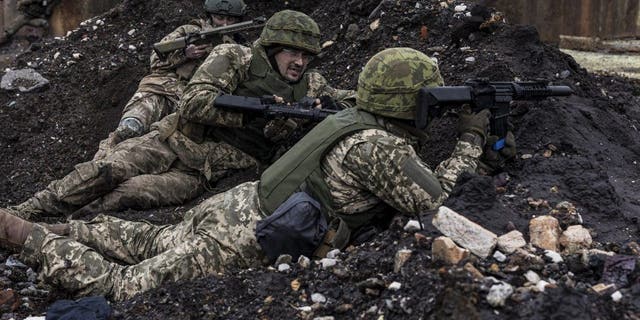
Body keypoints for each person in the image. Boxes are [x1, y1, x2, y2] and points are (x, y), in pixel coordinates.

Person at [0, 47, 515, 301]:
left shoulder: (352, 116)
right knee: (126, 286)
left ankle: (73, 229)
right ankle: (27, 235)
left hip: (235, 207)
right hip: (246, 237)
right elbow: (434, 201)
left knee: (153, 242)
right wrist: (470, 138)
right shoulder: (376, 146)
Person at [9, 10, 356, 219]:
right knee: (107, 169)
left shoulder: (310, 85)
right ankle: (26, 212)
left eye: (306, 56)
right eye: (292, 52)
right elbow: (194, 101)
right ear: (273, 48)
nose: (299, 62)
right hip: (173, 140)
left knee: (127, 195)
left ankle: (54, 230)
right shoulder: (236, 57)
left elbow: (349, 99)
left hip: (204, 171)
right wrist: (254, 113)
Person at [93, 0, 249, 160]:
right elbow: (155, 59)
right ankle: (95, 167)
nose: (223, 23)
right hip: (160, 89)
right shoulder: (190, 31)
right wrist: (184, 54)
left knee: (151, 150)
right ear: (210, 15)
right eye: (219, 18)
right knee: (129, 129)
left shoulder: (239, 49)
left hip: (189, 104)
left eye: (230, 20)